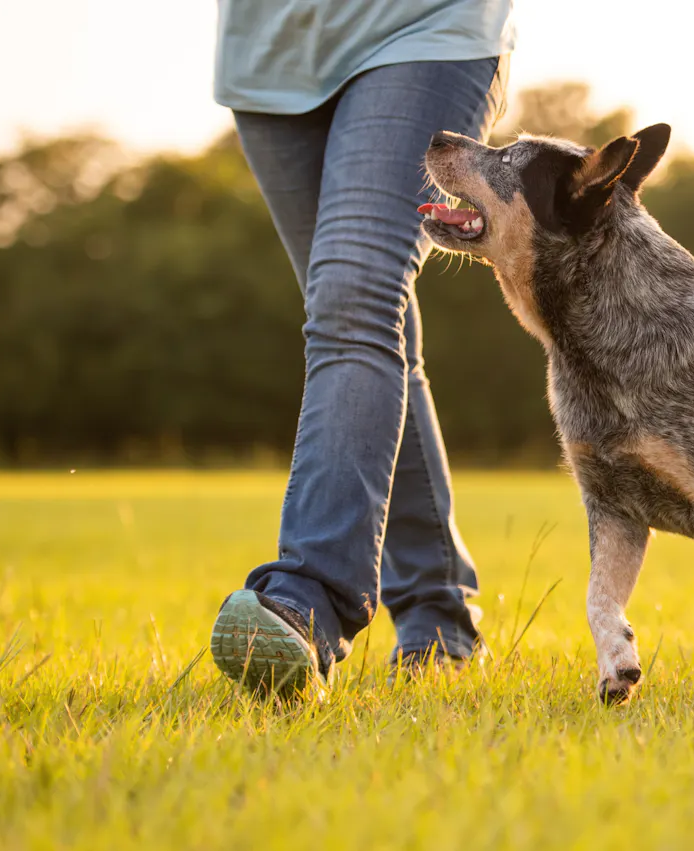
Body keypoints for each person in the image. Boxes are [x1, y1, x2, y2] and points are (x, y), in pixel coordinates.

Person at [207, 0, 514, 695]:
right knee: (365, 320)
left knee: (355, 302)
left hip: (421, 28)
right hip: (272, 53)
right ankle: (440, 619)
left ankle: (307, 600)